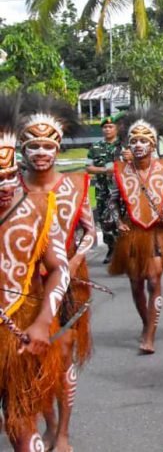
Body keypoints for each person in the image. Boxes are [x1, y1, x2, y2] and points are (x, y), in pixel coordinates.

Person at [18, 95, 95, 452]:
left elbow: (89, 231)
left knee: (61, 359)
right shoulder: (12, 188)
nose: (40, 152)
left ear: (58, 148)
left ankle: (62, 433)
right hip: (21, 288)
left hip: (69, 286)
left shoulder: (76, 185)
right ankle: (44, 423)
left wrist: (75, 261)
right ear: (22, 149)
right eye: (33, 145)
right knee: (31, 362)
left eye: (47, 145)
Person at [0, 94, 70, 452]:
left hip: (19, 328)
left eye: (8, 176)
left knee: (22, 418)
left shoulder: (40, 208)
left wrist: (43, 320)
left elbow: (59, 269)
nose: (3, 187)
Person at [108, 109, 163, 354]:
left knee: (153, 279)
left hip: (157, 233)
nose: (138, 145)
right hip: (132, 234)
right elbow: (112, 201)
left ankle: (149, 336)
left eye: (144, 141)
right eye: (134, 141)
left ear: (153, 144)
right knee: (136, 283)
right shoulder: (121, 170)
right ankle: (146, 323)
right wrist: (118, 221)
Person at [87, 113, 123, 264]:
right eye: (105, 127)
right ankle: (112, 248)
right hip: (103, 190)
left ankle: (124, 250)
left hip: (122, 190)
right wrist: (104, 171)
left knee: (122, 218)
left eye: (110, 126)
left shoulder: (124, 146)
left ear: (116, 128)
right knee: (104, 220)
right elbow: (88, 167)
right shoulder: (95, 147)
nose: (107, 130)